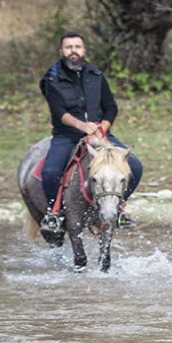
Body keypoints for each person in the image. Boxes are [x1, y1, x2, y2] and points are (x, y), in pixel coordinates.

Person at [39, 31, 143, 231]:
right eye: (69, 47)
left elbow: (111, 107)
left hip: (99, 133)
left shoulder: (96, 75)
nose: (73, 51)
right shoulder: (52, 79)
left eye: (77, 47)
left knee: (136, 167)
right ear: (61, 51)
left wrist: (101, 128)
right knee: (50, 172)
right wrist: (82, 126)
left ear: (84, 50)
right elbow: (59, 111)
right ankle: (54, 213)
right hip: (67, 135)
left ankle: (120, 208)